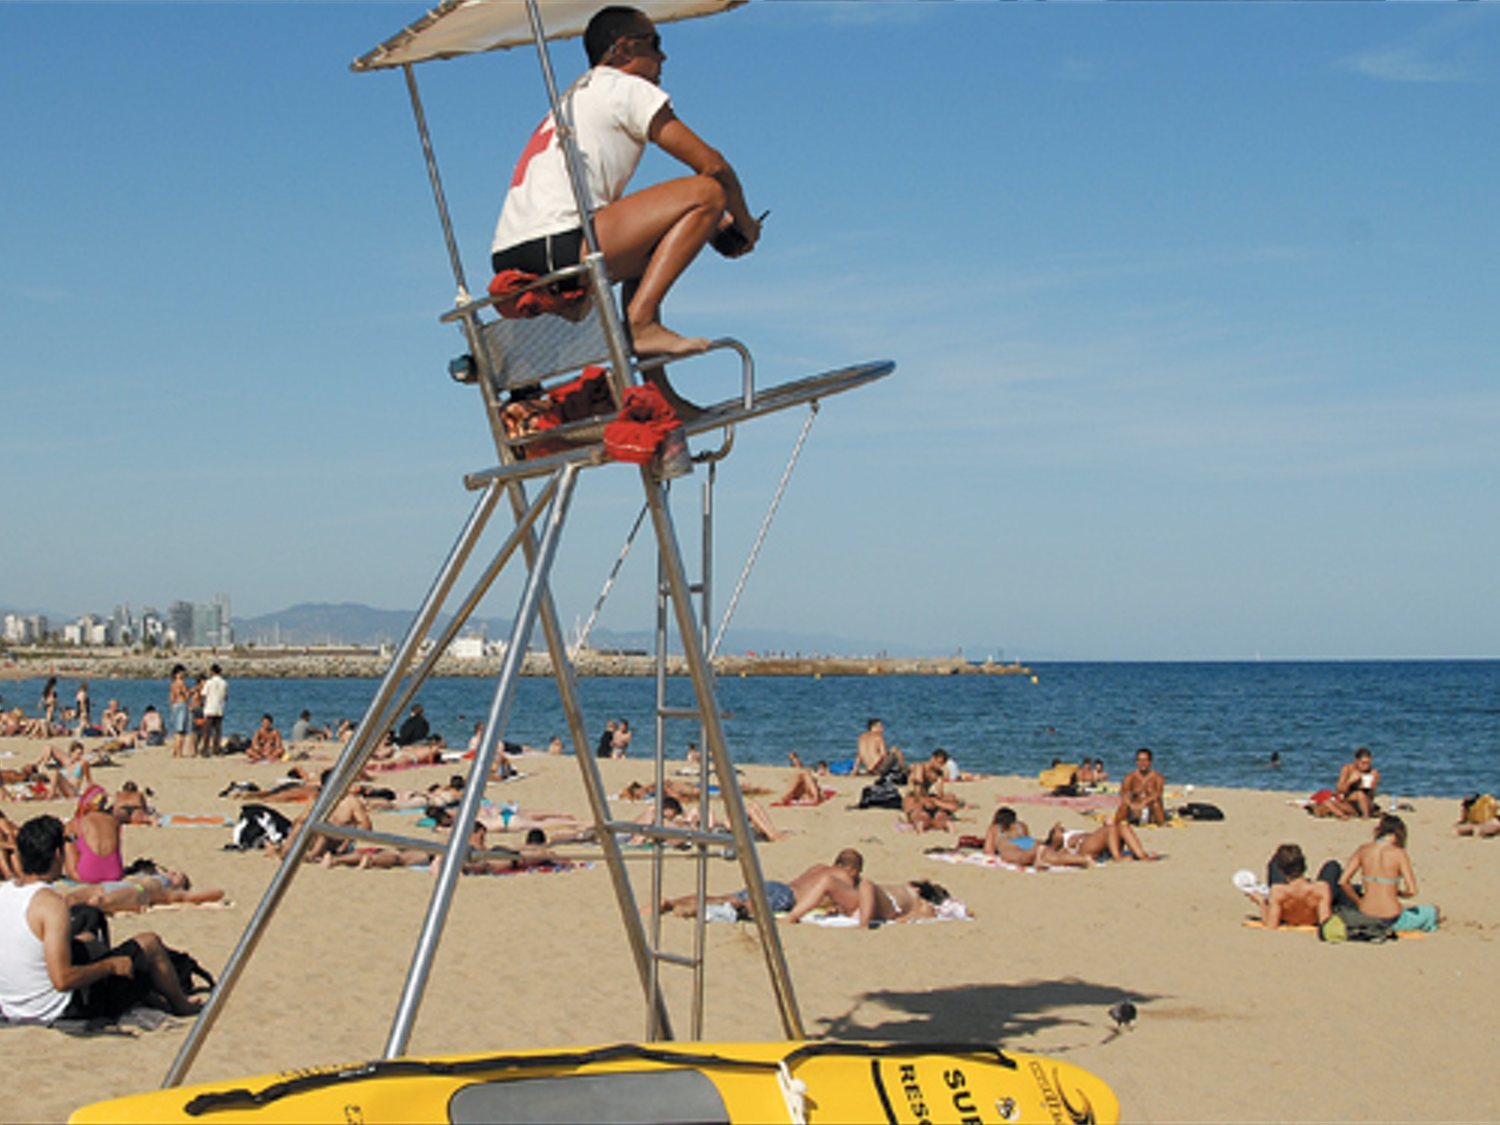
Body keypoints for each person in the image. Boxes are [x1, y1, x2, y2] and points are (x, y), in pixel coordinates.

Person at [489, 5, 761, 370]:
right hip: (561, 240)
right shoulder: (625, 88)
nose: (664, 56)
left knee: (660, 239)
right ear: (623, 49)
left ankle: (658, 395)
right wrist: (744, 225)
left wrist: (708, 225)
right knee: (707, 192)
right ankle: (641, 322)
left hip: (518, 250)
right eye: (655, 43)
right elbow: (713, 165)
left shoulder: (577, 95)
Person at [0, 815, 201, 1024]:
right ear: (58, 854)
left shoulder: (5, 892)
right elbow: (62, 980)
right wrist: (111, 966)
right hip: (58, 1009)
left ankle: (147, 992)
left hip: (13, 1005)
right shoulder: (50, 904)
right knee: (149, 943)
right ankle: (182, 1005)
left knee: (87, 940)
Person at [1339, 814, 1440, 933]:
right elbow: (1412, 891)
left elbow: (1343, 881)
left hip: (1367, 913)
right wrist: (1397, 893)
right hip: (1391, 917)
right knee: (1432, 910)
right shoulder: (1399, 853)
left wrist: (1358, 901)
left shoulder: (1363, 849)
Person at [1238, 843, 1338, 928]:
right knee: (1332, 866)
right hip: (1312, 915)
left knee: (1274, 862)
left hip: (1289, 911)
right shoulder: (1321, 888)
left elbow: (1271, 925)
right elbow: (1325, 922)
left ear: (1281, 871)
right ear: (1304, 865)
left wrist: (1261, 902)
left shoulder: (1278, 891)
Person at [983, 807, 1089, 869]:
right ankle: (1083, 859)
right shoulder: (1021, 825)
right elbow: (1028, 838)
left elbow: (988, 851)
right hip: (1030, 842)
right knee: (1053, 856)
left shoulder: (995, 828)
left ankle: (1039, 855)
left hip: (1011, 844)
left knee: (1020, 857)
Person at [64, 785, 126, 884]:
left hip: (87, 875)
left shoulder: (74, 824)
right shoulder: (114, 821)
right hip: (115, 874)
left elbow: (70, 866)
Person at [1043, 819, 1159, 863]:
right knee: (1110, 828)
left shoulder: (1066, 834)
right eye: (1055, 830)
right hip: (1083, 847)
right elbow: (1054, 851)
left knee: (1122, 826)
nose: (1059, 828)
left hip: (1099, 843)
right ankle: (1117, 858)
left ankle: (1141, 855)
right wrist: (1055, 831)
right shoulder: (1059, 839)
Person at [1116, 747, 1166, 827]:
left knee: (1156, 804)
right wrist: (1132, 805)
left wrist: (1144, 803)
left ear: (1150, 762)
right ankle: (1116, 824)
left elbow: (1158, 794)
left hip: (1150, 811)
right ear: (1136, 762)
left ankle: (1162, 824)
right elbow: (1123, 793)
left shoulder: (1157, 777)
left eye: (1145, 760)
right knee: (1124, 805)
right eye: (1140, 760)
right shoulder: (1130, 777)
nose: (1142, 763)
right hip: (1135, 810)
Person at [1334, 747, 1381, 819]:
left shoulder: (1373, 773)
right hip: (1348, 801)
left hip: (1365, 802)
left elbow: (1371, 796)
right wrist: (1350, 781)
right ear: (1356, 761)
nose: (1366, 766)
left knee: (1360, 794)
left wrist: (1371, 787)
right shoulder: (1348, 769)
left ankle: (1366, 815)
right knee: (1328, 802)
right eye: (1363, 763)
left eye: (1368, 763)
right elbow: (1339, 790)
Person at [197, 664, 228, 757]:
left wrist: (202, 703)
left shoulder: (209, 682)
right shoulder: (224, 683)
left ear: (212, 672)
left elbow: (203, 694)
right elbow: (226, 696)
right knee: (218, 731)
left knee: (207, 731)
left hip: (210, 708)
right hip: (219, 709)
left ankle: (205, 750)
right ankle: (216, 749)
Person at [168, 664, 191, 758]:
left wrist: (171, 706)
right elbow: (186, 695)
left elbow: (171, 697)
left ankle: (175, 750)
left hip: (175, 706)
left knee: (177, 730)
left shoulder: (172, 684)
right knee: (181, 731)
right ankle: (179, 752)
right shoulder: (181, 683)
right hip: (181, 705)